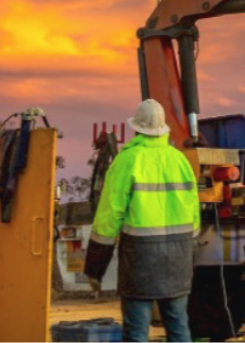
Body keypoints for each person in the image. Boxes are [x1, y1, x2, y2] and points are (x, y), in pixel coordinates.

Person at [85, 99, 201, 342]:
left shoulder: (127, 161)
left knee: (137, 331)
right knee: (179, 325)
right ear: (163, 129)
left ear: (136, 129)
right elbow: (194, 216)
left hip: (141, 260)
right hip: (177, 257)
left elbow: (109, 217)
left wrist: (95, 269)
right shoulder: (180, 161)